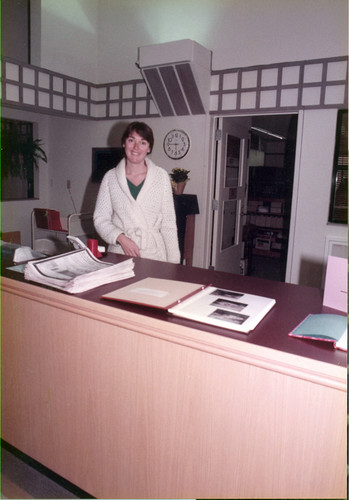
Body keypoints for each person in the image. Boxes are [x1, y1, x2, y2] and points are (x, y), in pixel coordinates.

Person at [94, 122, 180, 263]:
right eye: (131, 140)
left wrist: (174, 263)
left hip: (154, 255)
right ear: (124, 143)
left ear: (149, 148)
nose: (136, 147)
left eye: (143, 142)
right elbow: (100, 219)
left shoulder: (161, 177)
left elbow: (168, 224)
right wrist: (120, 238)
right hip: (119, 254)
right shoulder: (110, 177)